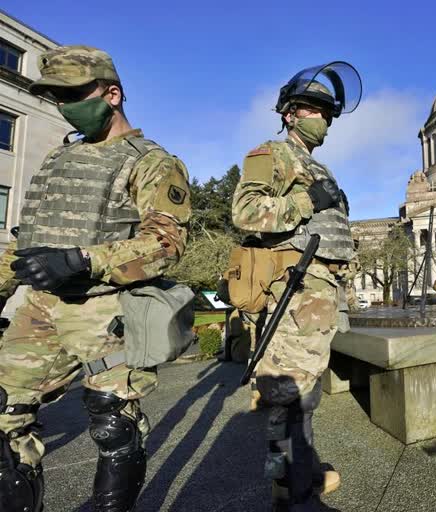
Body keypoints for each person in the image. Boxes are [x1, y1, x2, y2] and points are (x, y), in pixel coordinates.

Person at [0, 46, 191, 512]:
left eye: (72, 94)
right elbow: (24, 244)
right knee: (5, 417)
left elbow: (166, 242)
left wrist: (83, 260)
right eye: (56, 98)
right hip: (39, 308)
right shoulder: (58, 160)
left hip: (107, 311)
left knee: (114, 426)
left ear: (112, 94)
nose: (64, 106)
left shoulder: (151, 161)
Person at [231, 62, 361, 511]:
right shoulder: (272, 154)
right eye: (315, 110)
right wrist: (307, 200)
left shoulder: (319, 166)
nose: (323, 119)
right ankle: (294, 493)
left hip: (321, 294)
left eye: (328, 113)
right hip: (295, 290)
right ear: (291, 113)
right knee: (290, 398)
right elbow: (246, 213)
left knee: (304, 394)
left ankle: (297, 478)